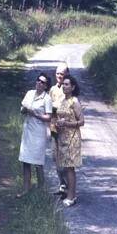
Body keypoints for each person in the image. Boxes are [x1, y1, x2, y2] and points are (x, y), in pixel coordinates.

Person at [17, 71, 53, 197]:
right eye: (38, 80)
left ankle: (40, 190)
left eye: (42, 82)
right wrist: (24, 110)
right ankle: (26, 189)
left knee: (38, 163)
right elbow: (22, 108)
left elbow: (49, 117)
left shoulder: (47, 98)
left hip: (38, 133)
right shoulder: (29, 93)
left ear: (46, 86)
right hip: (28, 131)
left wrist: (36, 114)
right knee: (25, 161)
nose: (39, 83)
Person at [55, 74, 84, 207]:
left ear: (72, 87)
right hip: (62, 137)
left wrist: (66, 124)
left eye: (67, 84)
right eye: (64, 84)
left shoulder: (74, 101)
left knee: (70, 167)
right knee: (65, 167)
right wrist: (57, 124)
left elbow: (81, 121)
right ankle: (69, 193)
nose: (65, 86)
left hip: (72, 137)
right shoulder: (63, 101)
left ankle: (72, 196)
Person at [49, 63, 69, 194]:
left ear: (67, 74)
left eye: (62, 73)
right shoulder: (52, 89)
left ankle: (68, 186)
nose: (59, 76)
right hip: (53, 126)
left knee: (64, 157)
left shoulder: (69, 88)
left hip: (65, 128)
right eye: (58, 73)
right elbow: (48, 107)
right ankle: (62, 184)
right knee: (54, 156)